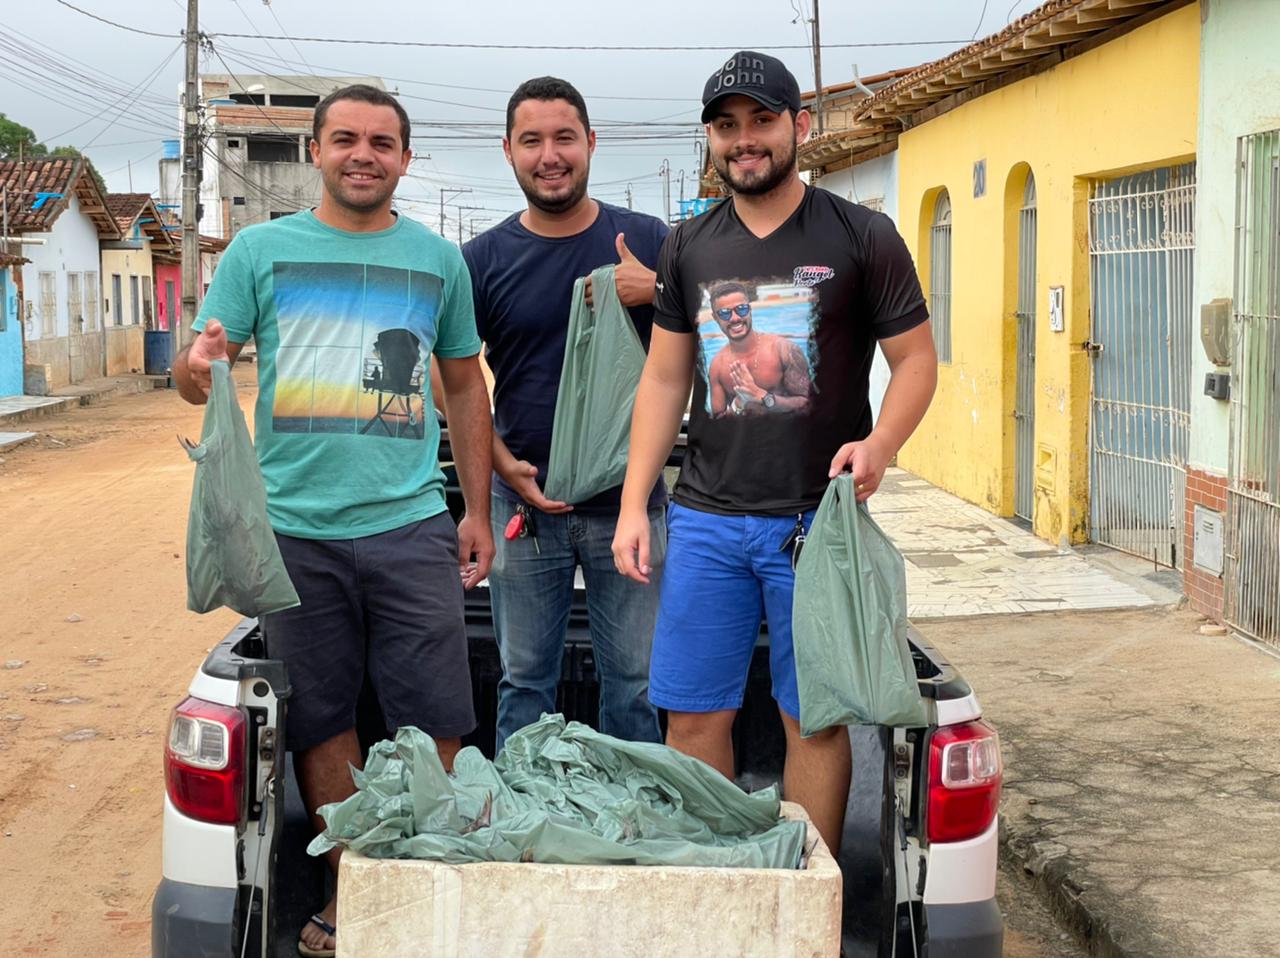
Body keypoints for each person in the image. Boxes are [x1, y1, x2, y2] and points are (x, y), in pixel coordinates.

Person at [173, 84, 494, 958]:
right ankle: (357, 889)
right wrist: (193, 367)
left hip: (410, 524)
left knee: (436, 718)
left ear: (405, 158)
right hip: (293, 533)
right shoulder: (259, 251)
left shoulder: (438, 261)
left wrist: (476, 508)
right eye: (346, 138)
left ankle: (426, 880)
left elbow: (463, 385)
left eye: (382, 142)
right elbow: (204, 356)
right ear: (316, 151)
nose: (364, 154)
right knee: (320, 720)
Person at [611, 51, 938, 854]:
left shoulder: (862, 234)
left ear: (799, 126)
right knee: (692, 716)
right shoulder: (689, 246)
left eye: (761, 121)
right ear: (712, 141)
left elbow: (917, 362)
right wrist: (633, 502)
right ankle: (724, 883)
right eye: (727, 126)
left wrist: (881, 443)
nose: (744, 140)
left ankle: (809, 896)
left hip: (815, 525)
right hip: (707, 521)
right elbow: (661, 381)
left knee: (813, 716)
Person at [462, 76, 668, 751]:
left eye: (564, 138)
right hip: (524, 509)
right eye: (532, 141)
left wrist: (658, 289)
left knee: (635, 683)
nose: (550, 155)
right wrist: (500, 465)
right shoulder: (483, 259)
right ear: (508, 151)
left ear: (591, 144)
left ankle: (632, 826)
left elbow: (720, 330)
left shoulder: (645, 239)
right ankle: (523, 822)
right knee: (523, 680)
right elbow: (452, 379)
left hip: (629, 506)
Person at [704, 281, 812, 417]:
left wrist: (763, 396)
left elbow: (808, 404)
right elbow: (717, 422)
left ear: (750, 309)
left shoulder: (784, 350)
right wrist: (738, 403)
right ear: (715, 318)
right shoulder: (717, 367)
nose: (735, 318)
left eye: (741, 309)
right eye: (725, 313)